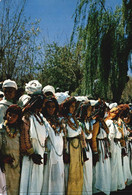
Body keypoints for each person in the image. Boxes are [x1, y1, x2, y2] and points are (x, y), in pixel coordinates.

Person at [19, 94, 50, 195]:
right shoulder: (27, 117)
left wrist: (44, 152)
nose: (43, 105)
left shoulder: (40, 117)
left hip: (39, 154)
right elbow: (25, 137)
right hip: (31, 156)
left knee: (37, 183)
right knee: (29, 182)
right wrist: (32, 154)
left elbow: (45, 137)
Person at [60, 97, 85, 195]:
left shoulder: (74, 119)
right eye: (72, 106)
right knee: (70, 172)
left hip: (78, 148)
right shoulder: (63, 120)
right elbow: (64, 137)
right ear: (66, 107)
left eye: (74, 106)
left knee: (78, 172)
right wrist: (65, 152)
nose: (73, 108)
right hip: (70, 148)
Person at [41, 97, 65, 195]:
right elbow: (44, 138)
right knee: (48, 177)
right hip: (49, 152)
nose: (51, 109)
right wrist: (46, 152)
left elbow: (63, 136)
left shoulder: (58, 120)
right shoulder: (43, 120)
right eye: (49, 107)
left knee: (57, 177)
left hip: (59, 153)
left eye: (53, 107)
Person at [0, 105, 22, 195]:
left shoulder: (20, 131)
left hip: (17, 166)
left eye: (14, 116)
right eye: (9, 114)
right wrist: (2, 158)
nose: (10, 118)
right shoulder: (1, 129)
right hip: (4, 166)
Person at [105, 107, 126, 192]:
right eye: (113, 112)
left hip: (116, 144)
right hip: (113, 144)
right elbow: (110, 136)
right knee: (113, 165)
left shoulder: (114, 122)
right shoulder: (109, 122)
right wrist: (110, 149)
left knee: (117, 164)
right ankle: (112, 185)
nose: (115, 114)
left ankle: (116, 184)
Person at [77, 101, 93, 195]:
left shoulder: (89, 122)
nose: (90, 112)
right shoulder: (79, 123)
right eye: (88, 110)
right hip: (82, 149)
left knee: (89, 172)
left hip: (88, 149)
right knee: (83, 172)